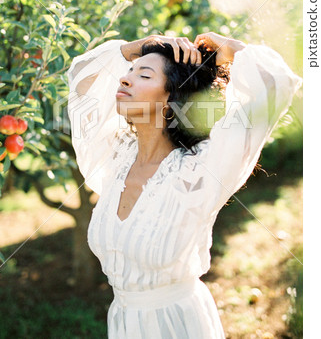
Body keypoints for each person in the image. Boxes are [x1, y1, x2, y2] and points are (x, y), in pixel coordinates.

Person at [67, 32, 302, 338]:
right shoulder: (115, 160)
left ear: (170, 98)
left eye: (143, 75)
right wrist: (135, 48)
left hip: (178, 325)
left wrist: (227, 50)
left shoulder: (198, 170)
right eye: (128, 72)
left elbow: (276, 80)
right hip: (123, 324)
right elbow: (80, 77)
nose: (124, 79)